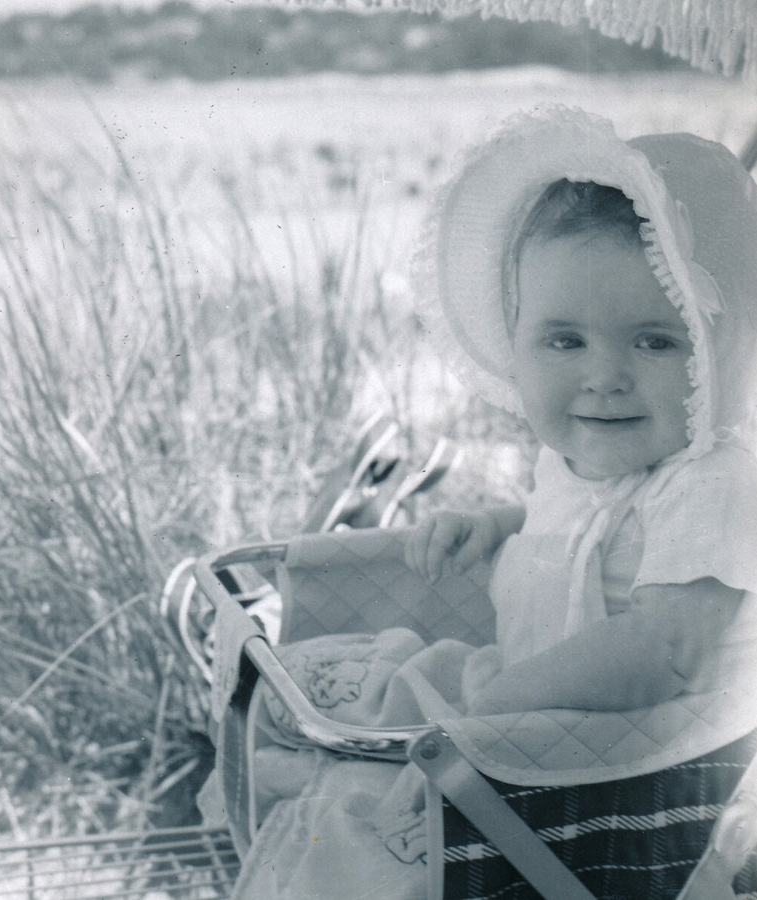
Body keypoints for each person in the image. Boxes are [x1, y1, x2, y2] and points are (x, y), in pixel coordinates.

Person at [221, 107, 757, 900]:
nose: (602, 375)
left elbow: (664, 650)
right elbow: (580, 535)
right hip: (525, 709)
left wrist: (500, 705)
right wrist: (493, 526)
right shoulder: (582, 460)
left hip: (615, 767)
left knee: (371, 819)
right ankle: (319, 775)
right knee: (324, 683)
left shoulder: (713, 486)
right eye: (564, 341)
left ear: (724, 348)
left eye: (653, 341)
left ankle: (339, 805)